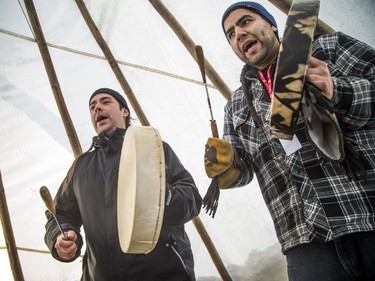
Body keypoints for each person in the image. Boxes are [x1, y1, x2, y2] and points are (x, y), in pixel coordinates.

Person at [204, 2, 375, 281]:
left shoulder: (328, 48)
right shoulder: (235, 106)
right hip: (303, 241)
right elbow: (242, 171)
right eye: (231, 34)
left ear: (272, 24)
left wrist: (337, 92)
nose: (239, 34)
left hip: (363, 210)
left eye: (245, 22)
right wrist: (226, 167)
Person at [44, 88, 202, 281]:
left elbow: (191, 199)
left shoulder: (153, 148)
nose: (97, 108)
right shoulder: (81, 167)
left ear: (124, 111)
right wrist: (60, 237)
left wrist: (160, 194)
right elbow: (59, 214)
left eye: (105, 102)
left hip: (164, 273)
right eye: (92, 107)